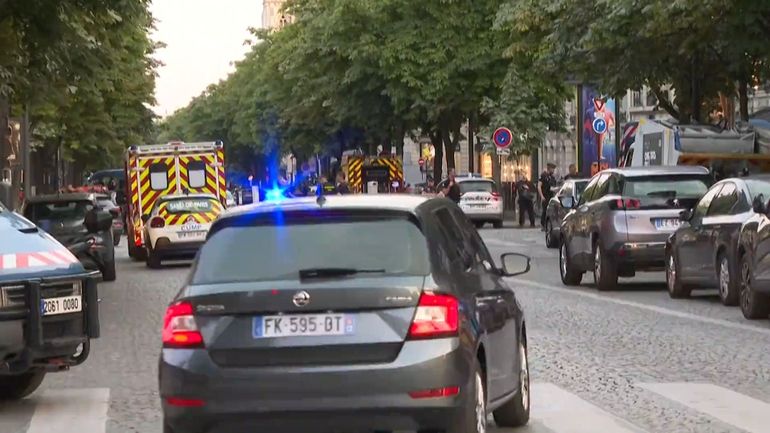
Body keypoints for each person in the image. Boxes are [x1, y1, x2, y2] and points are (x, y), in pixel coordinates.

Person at [538, 163, 557, 231]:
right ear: (550, 168)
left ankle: (548, 224)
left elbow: (553, 187)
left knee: (551, 211)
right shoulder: (543, 175)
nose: (554, 170)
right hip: (545, 196)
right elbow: (539, 186)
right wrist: (541, 196)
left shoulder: (552, 177)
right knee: (545, 211)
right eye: (553, 169)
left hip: (551, 196)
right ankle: (543, 225)